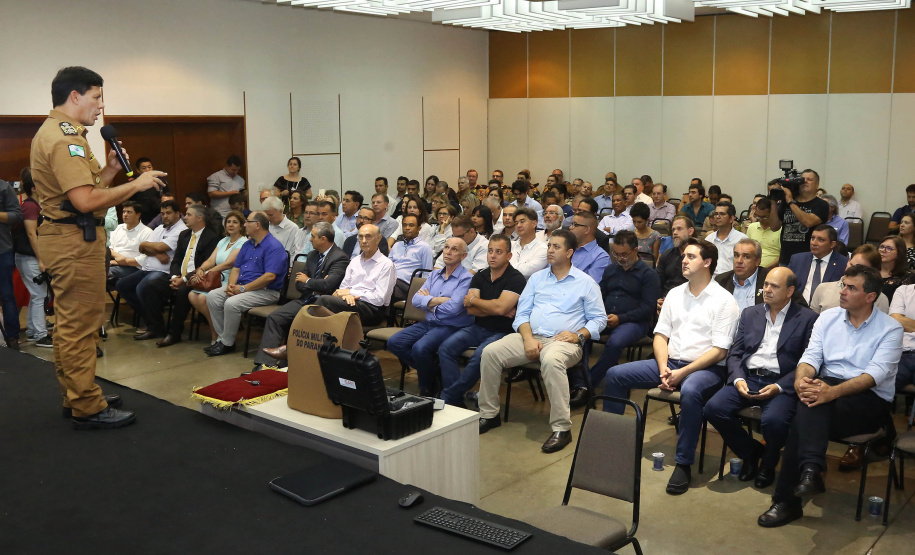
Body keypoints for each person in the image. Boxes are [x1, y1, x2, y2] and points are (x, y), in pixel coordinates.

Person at [31, 66, 166, 428]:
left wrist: (108, 172)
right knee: (80, 325)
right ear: (75, 96)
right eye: (96, 97)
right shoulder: (64, 139)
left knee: (71, 324)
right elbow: (86, 201)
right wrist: (135, 184)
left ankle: (77, 393)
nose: (101, 106)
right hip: (73, 242)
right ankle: (86, 405)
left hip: (70, 239)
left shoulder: (64, 134)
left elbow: (85, 191)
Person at [757, 265, 902, 528]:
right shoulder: (827, 318)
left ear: (870, 297)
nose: (842, 292)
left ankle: (788, 500)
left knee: (806, 413)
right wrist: (802, 380)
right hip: (827, 391)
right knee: (810, 403)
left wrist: (829, 392)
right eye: (842, 285)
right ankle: (810, 471)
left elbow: (875, 376)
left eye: (851, 288)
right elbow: (810, 357)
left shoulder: (890, 329)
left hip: (868, 401)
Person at [603, 238, 740, 495]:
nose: (684, 261)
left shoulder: (724, 301)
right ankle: (615, 443)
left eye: (691, 257)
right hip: (670, 363)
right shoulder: (675, 294)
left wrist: (681, 373)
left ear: (707, 262)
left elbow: (720, 350)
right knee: (616, 375)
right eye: (684, 256)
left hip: (706, 369)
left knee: (691, 392)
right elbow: (660, 336)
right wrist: (665, 367)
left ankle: (683, 463)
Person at [477, 230, 606, 454]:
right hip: (531, 336)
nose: (550, 250)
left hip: (564, 342)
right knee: (490, 352)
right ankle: (489, 414)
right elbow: (522, 314)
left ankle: (562, 428)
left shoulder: (586, 282)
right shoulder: (537, 279)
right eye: (549, 246)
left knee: (552, 360)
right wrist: (527, 339)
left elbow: (599, 319)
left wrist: (579, 335)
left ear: (569, 252)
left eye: (556, 247)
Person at [706, 267, 819, 489]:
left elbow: (808, 361)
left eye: (774, 286)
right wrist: (738, 379)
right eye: (765, 284)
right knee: (713, 408)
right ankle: (751, 453)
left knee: (775, 421)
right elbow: (736, 353)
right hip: (749, 378)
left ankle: (768, 463)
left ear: (790, 291)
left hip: (782, 382)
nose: (766, 289)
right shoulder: (750, 313)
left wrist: (779, 386)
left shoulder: (807, 319)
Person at [438, 234, 526, 408]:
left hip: (503, 332)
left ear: (509, 256)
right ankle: (455, 398)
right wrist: (496, 309)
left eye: (498, 252)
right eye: (490, 251)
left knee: (481, 356)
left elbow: (498, 307)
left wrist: (477, 302)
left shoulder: (516, 279)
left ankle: (448, 396)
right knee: (445, 348)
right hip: (477, 327)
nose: (492, 255)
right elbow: (471, 309)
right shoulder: (480, 276)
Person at [252, 222, 349, 370]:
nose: (310, 240)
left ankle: (289, 362)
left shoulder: (340, 258)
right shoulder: (312, 255)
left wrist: (309, 280)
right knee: (275, 317)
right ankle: (264, 364)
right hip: (306, 299)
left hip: (324, 306)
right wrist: (316, 282)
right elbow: (299, 284)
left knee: (301, 323)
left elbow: (328, 286)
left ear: (323, 239)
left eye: (313, 236)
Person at [388, 237, 474, 396]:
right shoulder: (434, 275)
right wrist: (439, 300)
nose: (448, 252)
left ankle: (426, 388)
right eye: (446, 247)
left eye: (454, 249)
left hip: (451, 326)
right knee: (395, 342)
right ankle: (434, 373)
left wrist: (428, 304)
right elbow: (415, 300)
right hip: (429, 323)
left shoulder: (467, 279)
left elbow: (454, 309)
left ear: (463, 256)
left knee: (420, 348)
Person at [205, 211, 288, 356]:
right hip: (243, 287)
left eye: (247, 221)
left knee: (231, 304)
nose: (244, 224)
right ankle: (222, 338)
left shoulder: (274, 246)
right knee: (212, 296)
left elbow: (269, 277)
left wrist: (242, 289)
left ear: (257, 225)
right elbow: (236, 268)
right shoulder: (247, 244)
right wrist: (231, 286)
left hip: (266, 291)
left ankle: (227, 343)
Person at [587, 231, 660, 393]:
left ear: (635, 250)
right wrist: (599, 314)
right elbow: (600, 295)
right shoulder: (611, 270)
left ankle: (589, 381)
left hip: (635, 322)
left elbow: (648, 308)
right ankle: (580, 379)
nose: (620, 258)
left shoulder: (649, 275)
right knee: (582, 334)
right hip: (607, 318)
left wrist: (621, 318)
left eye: (624, 254)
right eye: (616, 254)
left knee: (616, 342)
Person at [149, 204, 220, 347]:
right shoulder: (184, 235)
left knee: (182, 292)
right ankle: (156, 328)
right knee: (150, 286)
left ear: (199, 218)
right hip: (179, 276)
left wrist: (184, 279)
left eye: (188, 215)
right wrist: (175, 277)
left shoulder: (212, 237)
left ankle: (174, 333)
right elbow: (176, 260)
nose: (185, 217)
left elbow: (206, 265)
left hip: (197, 278)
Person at [116, 200, 188, 339]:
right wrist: (153, 249)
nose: (165, 216)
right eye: (162, 213)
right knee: (122, 285)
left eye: (168, 213)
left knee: (143, 287)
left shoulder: (181, 230)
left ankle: (155, 327)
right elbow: (142, 248)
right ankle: (150, 318)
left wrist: (153, 248)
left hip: (165, 272)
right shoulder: (160, 228)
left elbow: (158, 247)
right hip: (147, 268)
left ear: (178, 214)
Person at [315, 224, 396, 326]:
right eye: (360, 237)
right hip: (351, 302)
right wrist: (347, 295)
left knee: (324, 301)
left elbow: (379, 299)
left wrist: (351, 293)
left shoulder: (386, 264)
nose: (363, 240)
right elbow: (343, 288)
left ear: (378, 239)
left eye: (368, 236)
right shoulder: (355, 261)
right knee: (323, 306)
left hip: (372, 309)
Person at [187, 211, 248, 347]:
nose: (231, 225)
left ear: (241, 226)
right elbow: (210, 260)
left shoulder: (243, 241)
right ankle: (218, 330)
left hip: (231, 278)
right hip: (215, 276)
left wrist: (207, 272)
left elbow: (229, 263)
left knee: (203, 298)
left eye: (235, 222)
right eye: (228, 222)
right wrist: (202, 270)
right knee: (192, 295)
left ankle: (217, 334)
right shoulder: (223, 240)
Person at [11, 169, 51, 347]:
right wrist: (41, 259)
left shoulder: (34, 205)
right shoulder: (30, 206)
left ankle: (34, 331)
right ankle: (40, 335)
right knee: (39, 295)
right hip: (29, 257)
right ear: (34, 188)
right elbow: (31, 234)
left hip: (29, 256)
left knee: (38, 294)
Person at [769, 170, 829, 265]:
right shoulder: (786, 202)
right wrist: (773, 202)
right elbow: (774, 227)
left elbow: (808, 222)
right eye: (802, 179)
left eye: (809, 179)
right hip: (786, 258)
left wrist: (790, 201)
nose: (805, 181)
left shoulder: (822, 204)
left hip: (808, 259)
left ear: (817, 185)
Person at [787, 225, 848, 305]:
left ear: (832, 244)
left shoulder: (843, 263)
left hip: (827, 310)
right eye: (812, 238)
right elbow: (786, 285)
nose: (814, 243)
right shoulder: (797, 260)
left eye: (821, 240)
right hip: (798, 309)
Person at [715, 239, 770, 314]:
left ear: (757, 261)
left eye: (746, 257)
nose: (739, 261)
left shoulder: (768, 279)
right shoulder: (721, 280)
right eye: (736, 255)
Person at [0, 177, 23, 350]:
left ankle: (12, 336)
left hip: (2, 250)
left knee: (7, 295)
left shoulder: (4, 187)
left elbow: (16, 215)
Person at [389, 214, 434, 302]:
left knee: (388, 288)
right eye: (404, 225)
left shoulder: (424, 247)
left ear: (419, 228)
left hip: (405, 285)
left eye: (411, 225)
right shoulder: (397, 245)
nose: (407, 228)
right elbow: (387, 265)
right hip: (390, 280)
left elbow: (426, 274)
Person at [656, 215, 696, 307]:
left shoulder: (699, 256)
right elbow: (658, 283)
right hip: (666, 301)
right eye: (673, 229)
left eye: (679, 229)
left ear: (690, 231)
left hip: (690, 303)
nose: (675, 233)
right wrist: (658, 301)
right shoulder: (666, 255)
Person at [706, 202, 747, 276]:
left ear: (731, 218)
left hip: (732, 280)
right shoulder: (709, 239)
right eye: (716, 214)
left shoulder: (742, 239)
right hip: (711, 280)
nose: (717, 217)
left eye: (722, 214)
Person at [569, 210, 610, 282]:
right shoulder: (566, 249)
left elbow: (589, 286)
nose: (570, 227)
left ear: (587, 230)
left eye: (575, 224)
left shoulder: (601, 257)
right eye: (571, 224)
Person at [510, 207, 548, 279]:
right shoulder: (510, 245)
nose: (518, 225)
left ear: (534, 224)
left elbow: (526, 271)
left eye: (522, 221)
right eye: (516, 223)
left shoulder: (543, 249)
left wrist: (504, 266)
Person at [745, 198, 781, 269]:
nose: (760, 220)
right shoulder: (752, 227)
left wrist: (764, 269)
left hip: (772, 270)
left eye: (764, 217)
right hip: (751, 269)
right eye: (758, 216)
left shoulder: (780, 230)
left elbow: (782, 256)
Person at [878, 235, 914, 303]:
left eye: (889, 248)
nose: (883, 250)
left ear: (899, 253)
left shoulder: (907, 278)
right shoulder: (870, 270)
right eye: (881, 247)